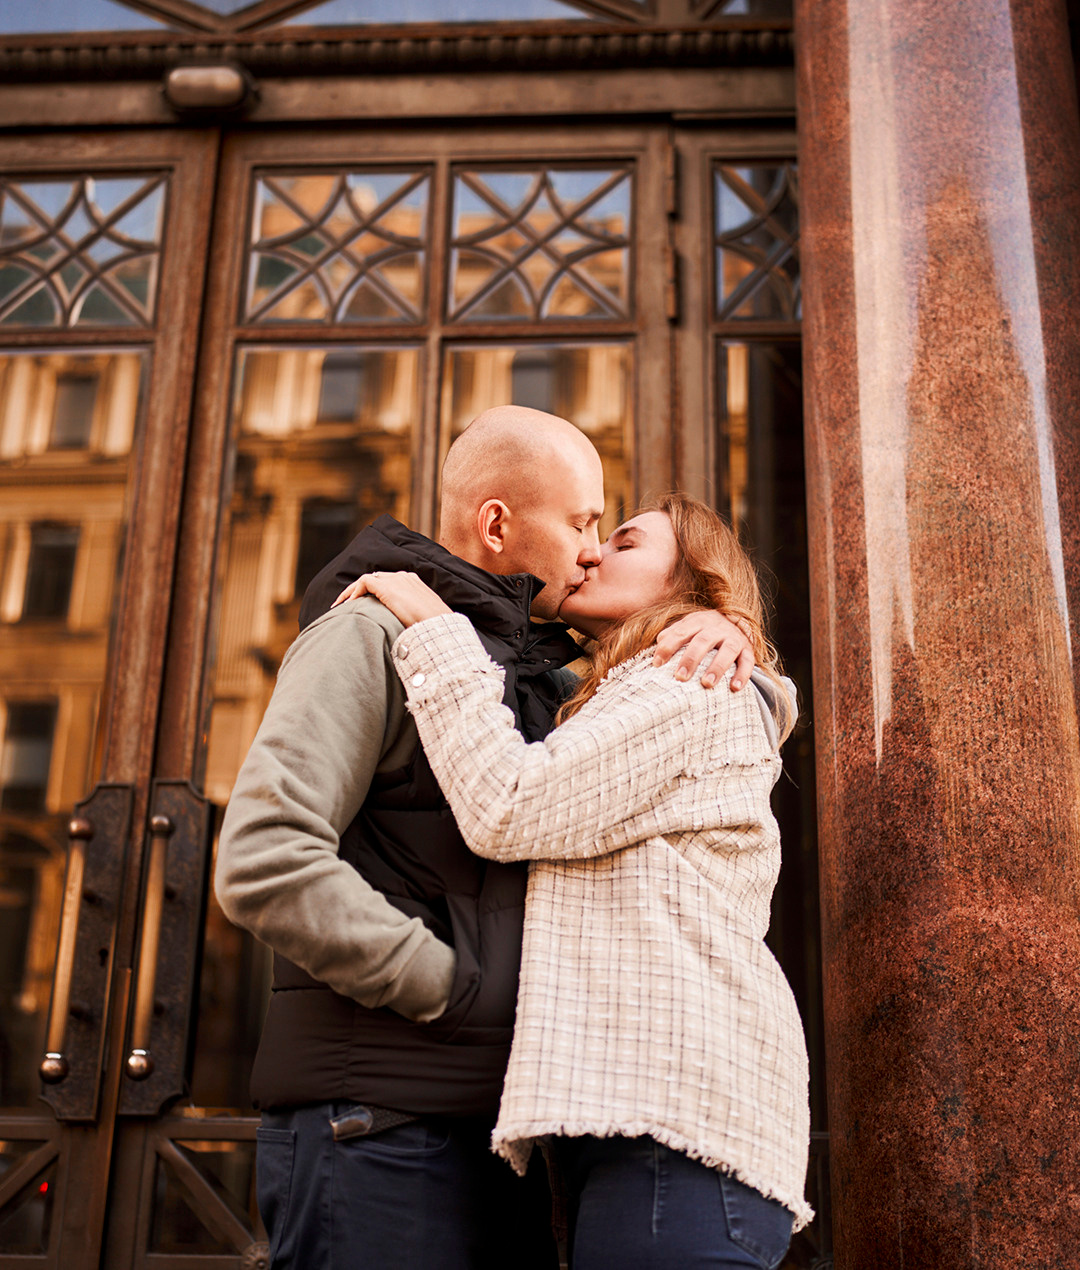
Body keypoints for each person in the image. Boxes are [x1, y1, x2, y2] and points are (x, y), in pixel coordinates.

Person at [214, 407, 757, 1270]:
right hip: (375, 1127)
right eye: (582, 523)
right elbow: (266, 856)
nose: (590, 550)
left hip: (505, 1140)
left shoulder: (553, 682)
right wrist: (455, 990)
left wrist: (719, 626)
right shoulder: (374, 632)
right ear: (499, 522)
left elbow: (690, 744)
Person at [336, 492, 813, 1270]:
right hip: (651, 1122)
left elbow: (509, 806)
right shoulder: (646, 681)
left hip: (676, 1123)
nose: (590, 553)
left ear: (691, 586)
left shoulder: (689, 684)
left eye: (623, 543)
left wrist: (434, 627)